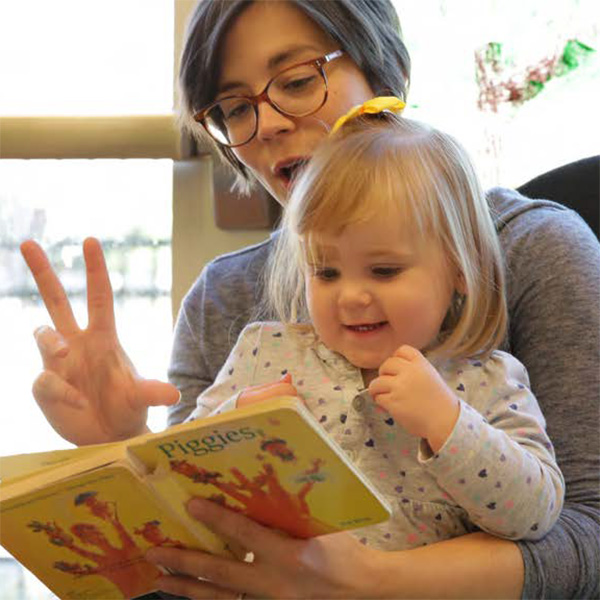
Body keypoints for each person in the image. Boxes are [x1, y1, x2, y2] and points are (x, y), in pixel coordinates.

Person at [19, 1, 599, 598]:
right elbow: (194, 557)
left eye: (296, 81)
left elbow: (585, 533)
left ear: (383, 71)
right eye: (235, 108)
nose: (265, 125)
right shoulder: (232, 310)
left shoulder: (531, 258)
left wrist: (372, 581)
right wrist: (122, 443)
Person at [187, 106, 565, 551]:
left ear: (461, 269)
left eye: (383, 271)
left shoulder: (487, 380)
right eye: (326, 273)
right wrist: (237, 419)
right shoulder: (262, 352)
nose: (349, 297)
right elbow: (180, 478)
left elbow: (535, 514)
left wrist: (449, 423)